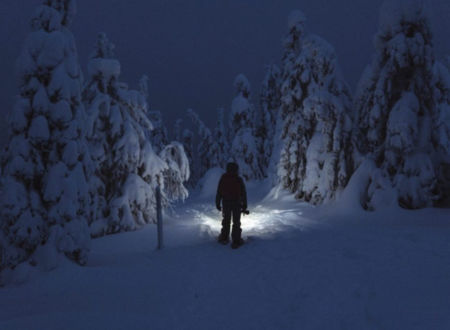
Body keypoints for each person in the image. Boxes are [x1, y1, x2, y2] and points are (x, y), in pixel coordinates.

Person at [215, 162, 247, 249]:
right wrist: (244, 205)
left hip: (226, 203)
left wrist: (217, 203)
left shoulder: (223, 178)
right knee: (236, 222)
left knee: (226, 220)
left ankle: (224, 238)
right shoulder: (238, 179)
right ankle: (236, 240)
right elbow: (243, 193)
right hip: (237, 203)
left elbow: (219, 192)